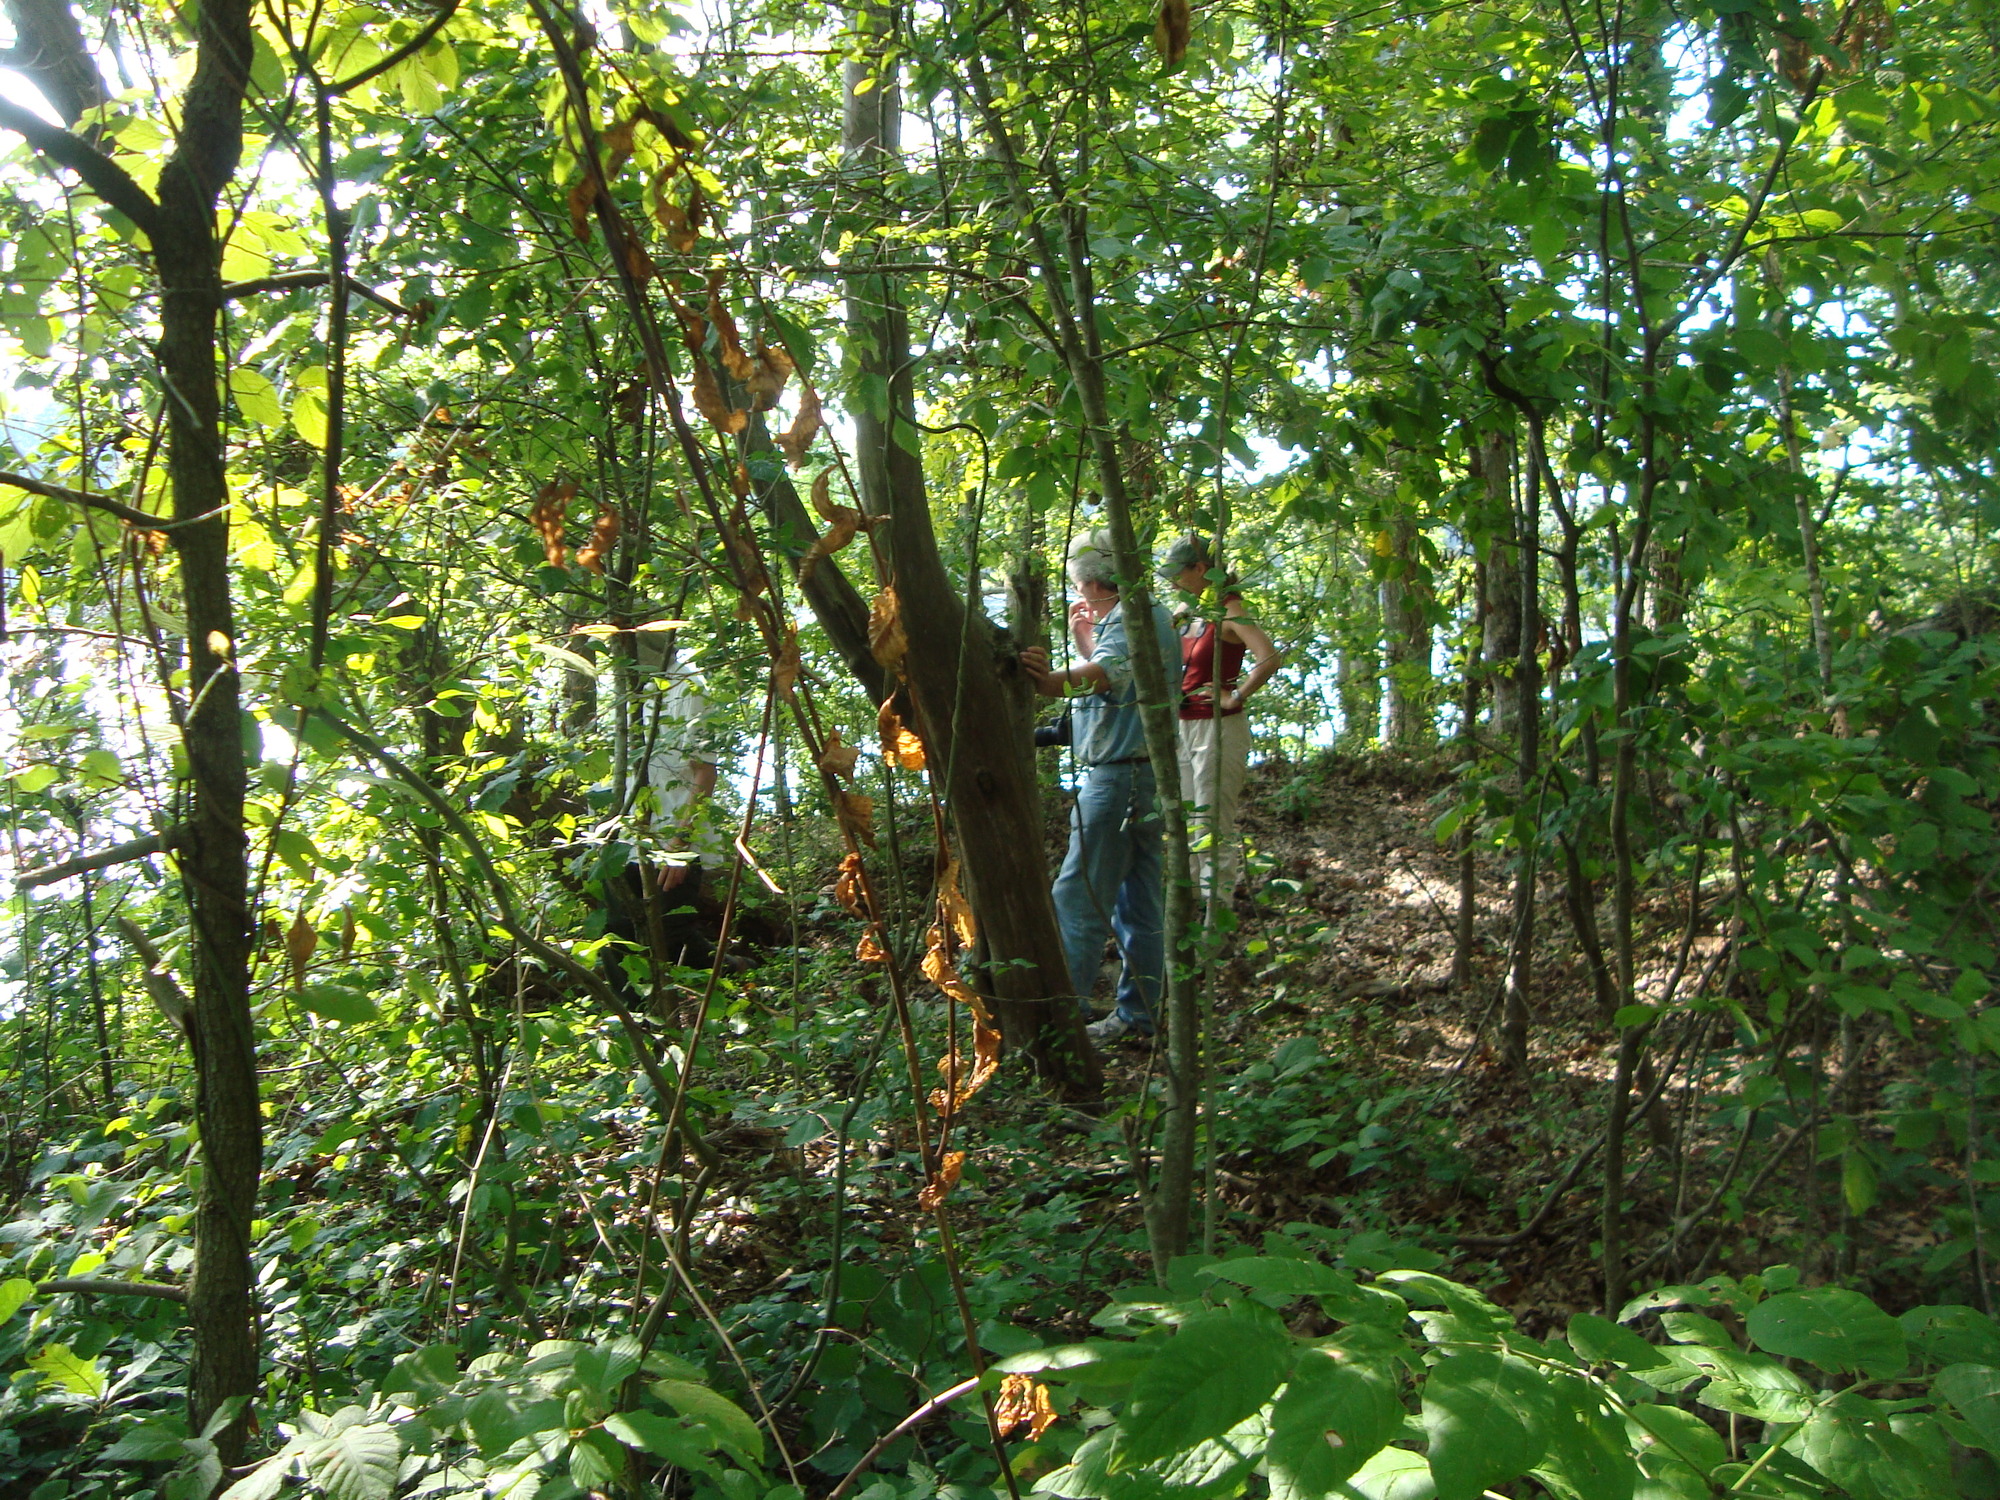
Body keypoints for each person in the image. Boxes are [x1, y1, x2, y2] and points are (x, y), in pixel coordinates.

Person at [1020, 529, 1181, 1044]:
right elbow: (1120, 672)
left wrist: (1045, 681)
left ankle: (1060, 1030)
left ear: (1087, 580)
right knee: (1139, 905)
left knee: (1078, 899)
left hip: (1118, 779)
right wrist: (1087, 638)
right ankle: (1142, 1018)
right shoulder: (1141, 614)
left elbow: (1103, 677)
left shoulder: (1136, 616)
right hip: (1146, 774)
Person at [1161, 534, 1283, 905]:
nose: (1171, 581)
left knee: (1212, 825)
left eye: (1178, 573)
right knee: (1183, 823)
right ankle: (1190, 917)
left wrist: (1235, 696)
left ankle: (1216, 922)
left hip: (1217, 728)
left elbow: (1269, 657)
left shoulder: (1230, 610)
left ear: (1200, 569)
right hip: (1182, 726)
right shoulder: (1195, 612)